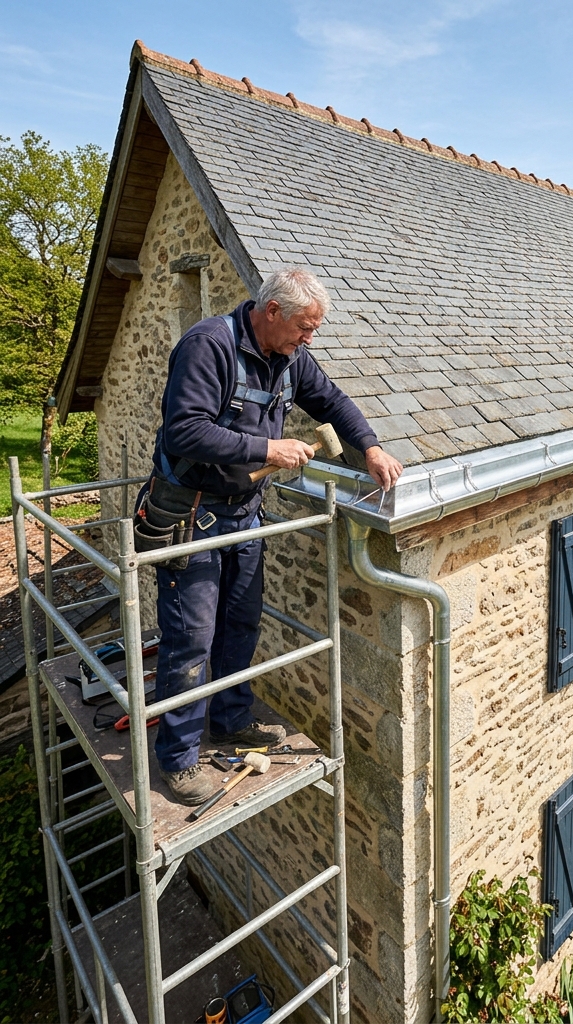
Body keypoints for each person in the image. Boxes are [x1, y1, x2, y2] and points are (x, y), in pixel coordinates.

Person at [142, 268, 402, 805]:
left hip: (244, 514)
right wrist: (266, 450)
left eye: (315, 329)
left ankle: (231, 720)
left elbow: (331, 401)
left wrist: (371, 447)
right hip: (194, 515)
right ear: (273, 312)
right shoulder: (208, 346)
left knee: (240, 622)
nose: (310, 339)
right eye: (305, 327)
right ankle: (178, 759)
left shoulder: (291, 357)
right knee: (190, 639)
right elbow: (183, 429)